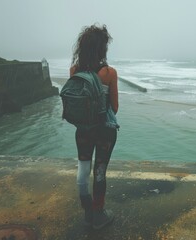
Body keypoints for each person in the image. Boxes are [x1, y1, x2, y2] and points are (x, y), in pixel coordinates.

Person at [70, 24, 119, 229]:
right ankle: (99, 214)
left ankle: (87, 211)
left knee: (83, 169)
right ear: (102, 48)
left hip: (83, 130)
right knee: (100, 171)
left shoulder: (74, 70)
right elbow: (114, 109)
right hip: (105, 130)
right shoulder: (109, 73)